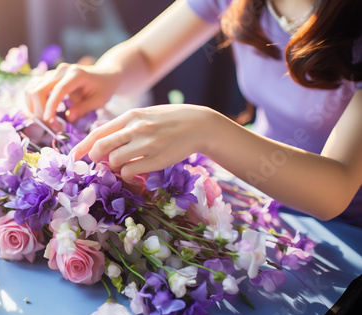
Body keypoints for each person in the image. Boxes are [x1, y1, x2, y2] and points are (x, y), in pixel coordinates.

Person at [25, 0, 362, 225]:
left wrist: (208, 130)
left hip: (344, 229)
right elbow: (145, 55)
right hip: (251, 194)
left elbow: (336, 189)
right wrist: (106, 74)